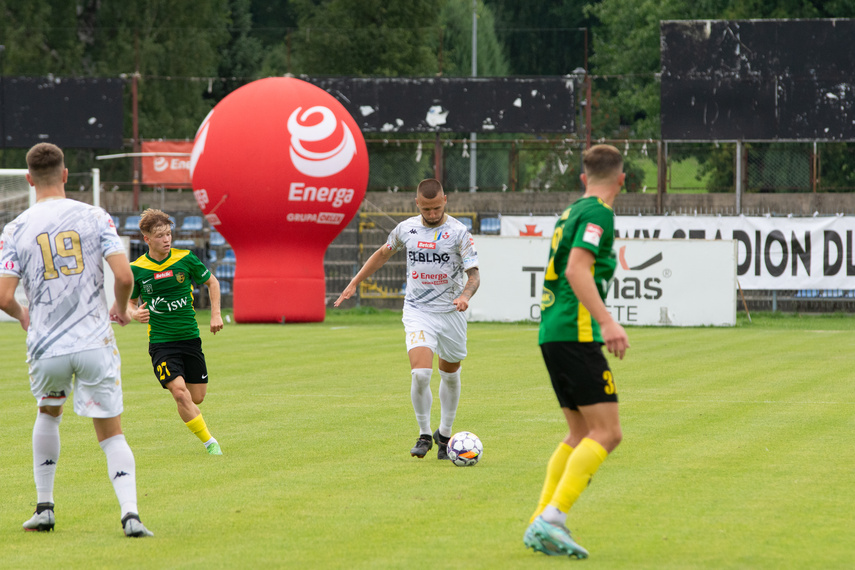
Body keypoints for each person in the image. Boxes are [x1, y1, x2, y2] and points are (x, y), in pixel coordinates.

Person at [0, 142, 153, 537]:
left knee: (48, 413)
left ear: (30, 180)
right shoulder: (94, 216)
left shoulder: (15, 228)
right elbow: (123, 277)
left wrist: (22, 315)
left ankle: (45, 507)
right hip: (93, 342)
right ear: (66, 175)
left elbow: (3, 297)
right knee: (111, 431)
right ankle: (130, 514)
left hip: (46, 345)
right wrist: (119, 308)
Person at [523, 144, 630, 558]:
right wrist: (607, 322)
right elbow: (576, 269)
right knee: (608, 432)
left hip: (552, 330)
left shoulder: (569, 212)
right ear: (622, 179)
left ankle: (540, 519)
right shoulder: (599, 213)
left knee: (581, 432)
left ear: (583, 178)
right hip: (576, 331)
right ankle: (553, 519)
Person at [334, 178, 480, 459]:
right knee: (421, 373)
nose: (433, 214)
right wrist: (355, 282)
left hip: (451, 312)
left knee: (449, 376)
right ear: (417, 204)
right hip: (418, 311)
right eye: (426, 210)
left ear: (445, 200)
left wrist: (465, 296)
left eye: (437, 208)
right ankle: (425, 434)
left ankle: (445, 435)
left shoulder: (460, 233)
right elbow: (382, 254)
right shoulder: (406, 229)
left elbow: (474, 275)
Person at [128, 208, 224, 455]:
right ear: (147, 238)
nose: (167, 239)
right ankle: (210, 443)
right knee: (180, 393)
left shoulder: (186, 258)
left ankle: (194, 420)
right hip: (162, 343)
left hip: (190, 338)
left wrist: (215, 314)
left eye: (169, 234)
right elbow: (128, 304)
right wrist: (135, 313)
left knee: (197, 397)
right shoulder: (137, 269)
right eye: (160, 236)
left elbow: (212, 282)